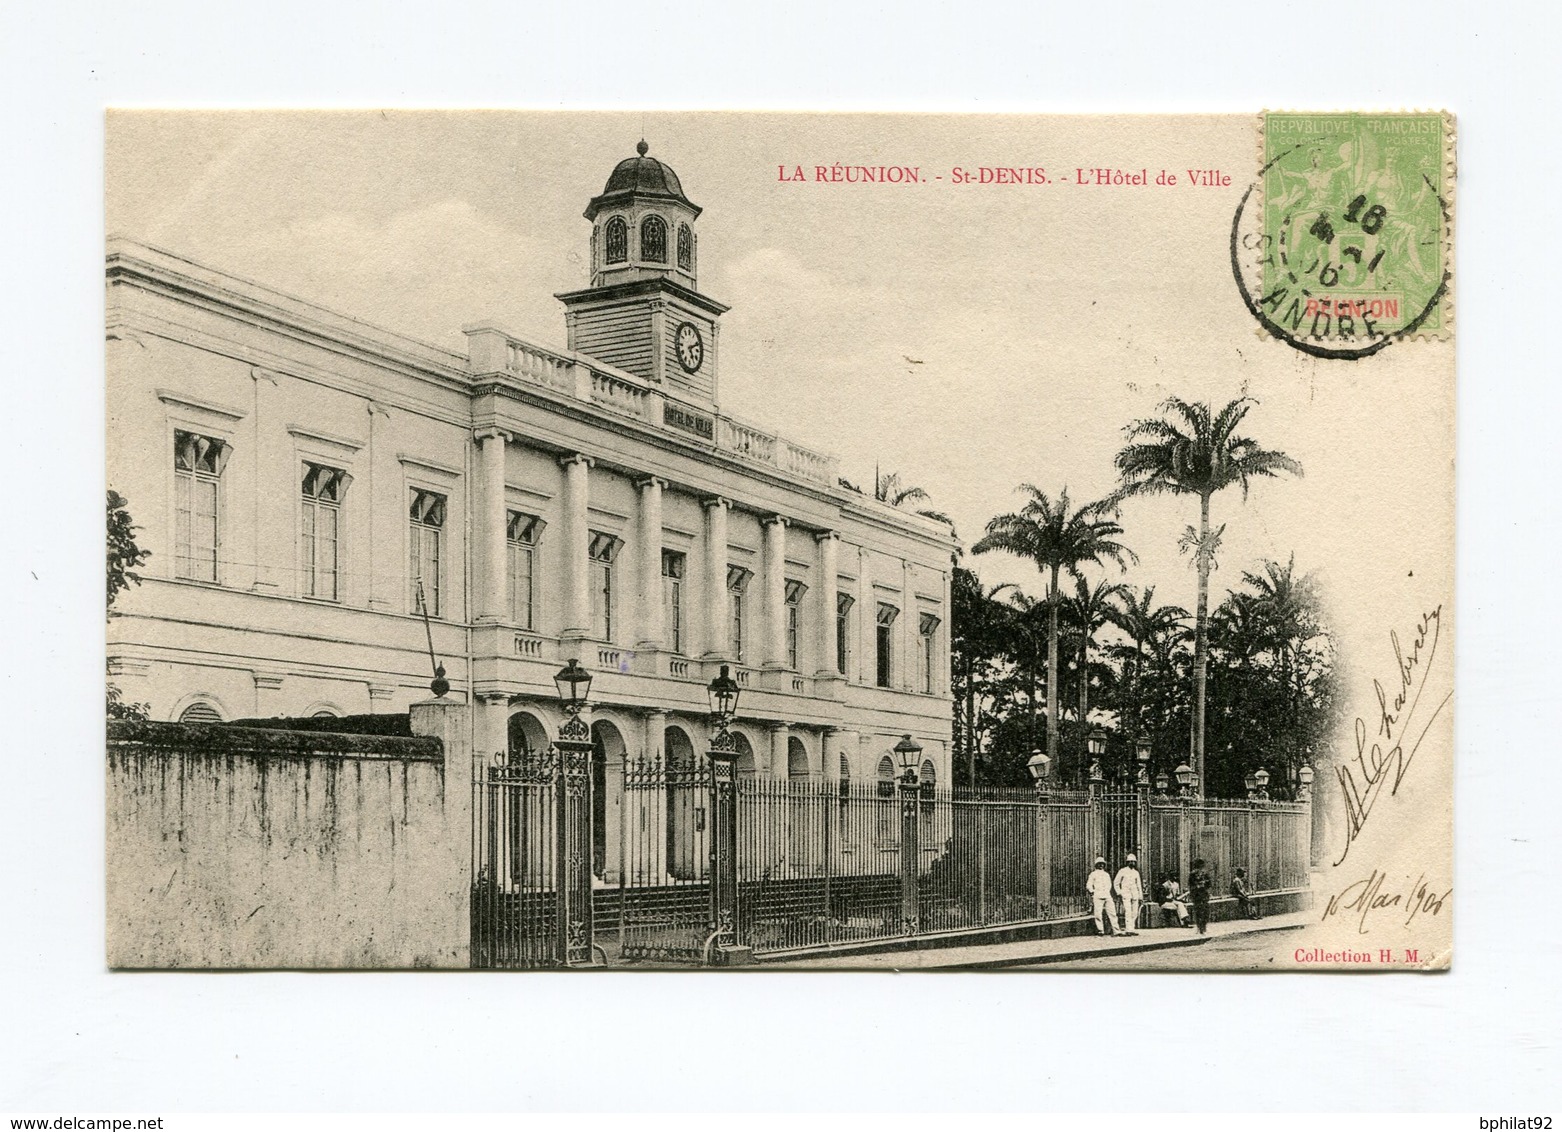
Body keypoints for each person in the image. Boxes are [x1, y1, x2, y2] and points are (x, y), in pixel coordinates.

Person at [1086, 856, 1122, 936]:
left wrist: (1106, 891)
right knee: (1098, 914)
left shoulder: (1106, 874)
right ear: (1096, 865)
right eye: (1099, 864)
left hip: (1107, 895)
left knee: (1112, 913)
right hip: (1098, 895)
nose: (1101, 866)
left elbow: (1109, 884)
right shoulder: (1093, 874)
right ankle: (1100, 930)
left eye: (1102, 864)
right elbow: (1089, 884)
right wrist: (1092, 891)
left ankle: (1116, 930)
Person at [1114, 853, 1145, 935]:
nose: (1132, 863)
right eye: (1130, 861)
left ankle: (1132, 928)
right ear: (1127, 862)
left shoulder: (1136, 873)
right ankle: (1128, 929)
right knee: (1128, 911)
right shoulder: (1122, 871)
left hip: (1135, 894)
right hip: (1126, 894)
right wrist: (1119, 892)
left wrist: (1140, 896)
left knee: (1134, 912)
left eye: (1133, 862)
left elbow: (1139, 885)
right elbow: (1116, 883)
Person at [1188, 857, 1213, 935]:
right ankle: (1201, 927)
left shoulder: (1204, 874)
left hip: (1201, 894)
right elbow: (1191, 884)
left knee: (1202, 911)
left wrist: (1203, 884)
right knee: (1201, 911)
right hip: (1199, 894)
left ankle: (1201, 927)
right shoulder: (1194, 874)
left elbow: (1209, 884)